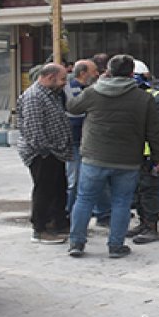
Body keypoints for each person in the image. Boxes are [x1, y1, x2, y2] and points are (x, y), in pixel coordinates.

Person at [65, 54, 159, 258]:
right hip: (128, 159)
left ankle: (76, 243)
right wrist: (158, 158)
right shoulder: (143, 98)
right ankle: (115, 246)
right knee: (121, 202)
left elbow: (72, 107)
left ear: (108, 72)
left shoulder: (93, 92)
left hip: (94, 156)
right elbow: (154, 132)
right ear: (132, 73)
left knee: (84, 199)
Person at [15, 63, 72, 244]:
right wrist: (46, 151)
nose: (65, 83)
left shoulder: (52, 94)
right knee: (44, 191)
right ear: (49, 77)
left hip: (55, 151)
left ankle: (57, 223)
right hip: (43, 153)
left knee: (57, 189)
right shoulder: (34, 97)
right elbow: (34, 130)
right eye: (62, 79)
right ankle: (41, 228)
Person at [129, 62, 159, 244]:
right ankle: (143, 223)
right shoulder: (134, 96)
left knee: (149, 190)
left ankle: (152, 227)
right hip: (134, 151)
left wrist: (158, 157)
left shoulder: (157, 99)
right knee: (138, 191)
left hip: (149, 154)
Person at [64, 59, 99, 214]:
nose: (97, 74)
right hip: (75, 139)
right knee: (75, 178)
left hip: (85, 140)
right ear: (83, 73)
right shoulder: (73, 90)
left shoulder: (86, 89)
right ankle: (69, 210)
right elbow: (75, 116)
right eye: (94, 71)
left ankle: (101, 210)